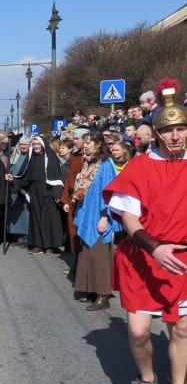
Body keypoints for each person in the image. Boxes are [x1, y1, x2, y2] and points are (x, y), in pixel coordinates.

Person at [103, 79, 187, 384]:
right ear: (155, 132)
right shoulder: (139, 166)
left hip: (182, 262)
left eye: (181, 128)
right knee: (139, 331)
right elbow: (129, 218)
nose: (176, 136)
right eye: (168, 130)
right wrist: (154, 247)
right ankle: (148, 380)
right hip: (144, 259)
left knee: (181, 330)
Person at [70, 133, 121, 311]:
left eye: (88, 143)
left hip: (99, 215)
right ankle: (90, 289)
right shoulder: (89, 163)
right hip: (87, 213)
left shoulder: (106, 165)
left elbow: (109, 193)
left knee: (98, 255)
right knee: (87, 253)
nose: (85, 146)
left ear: (98, 145)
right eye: (84, 143)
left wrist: (105, 217)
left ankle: (102, 295)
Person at [7, 135, 64, 255]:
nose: (36, 146)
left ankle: (49, 245)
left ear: (43, 145)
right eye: (35, 144)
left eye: (38, 144)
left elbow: (57, 178)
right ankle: (38, 244)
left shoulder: (51, 157)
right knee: (36, 217)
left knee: (48, 218)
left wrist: (57, 193)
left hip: (48, 191)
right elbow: (24, 177)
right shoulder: (31, 158)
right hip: (35, 190)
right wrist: (13, 179)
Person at [6, 137, 31, 245]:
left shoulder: (31, 157)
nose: (23, 146)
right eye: (21, 144)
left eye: (25, 144)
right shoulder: (15, 155)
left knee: (25, 212)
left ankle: (26, 235)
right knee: (15, 212)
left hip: (25, 188)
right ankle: (16, 234)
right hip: (14, 186)